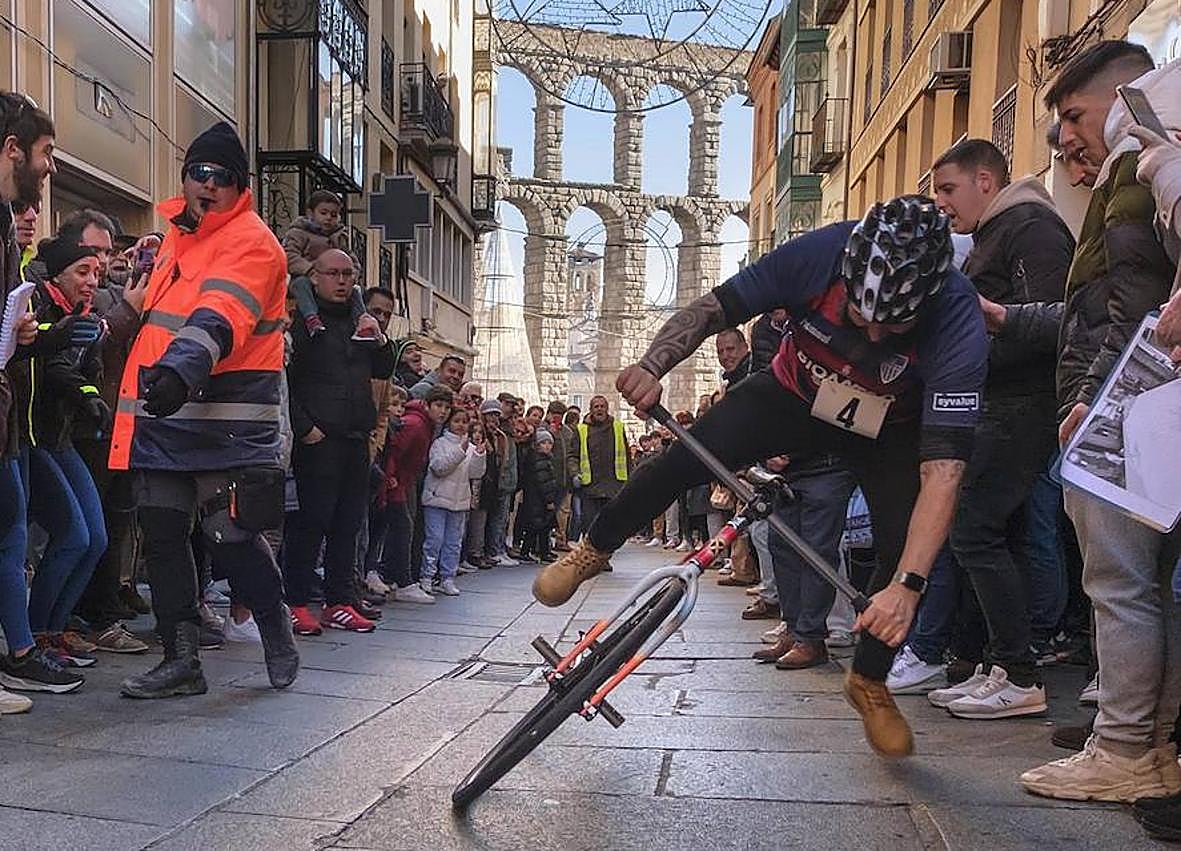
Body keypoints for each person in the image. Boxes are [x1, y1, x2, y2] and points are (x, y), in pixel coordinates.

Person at [533, 195, 989, 759]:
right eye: (859, 316)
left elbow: (944, 470)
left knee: (903, 547)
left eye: (892, 327)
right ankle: (593, 549)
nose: (872, 337)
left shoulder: (958, 316)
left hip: (886, 425)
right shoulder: (818, 253)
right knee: (682, 460)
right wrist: (653, 366)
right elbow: (711, 311)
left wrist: (907, 587)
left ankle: (869, 681)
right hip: (791, 393)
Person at [1020, 42, 1181, 804]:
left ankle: (1123, 748)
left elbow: (1128, 295)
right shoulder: (1140, 165)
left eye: (1072, 116)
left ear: (1119, 95)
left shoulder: (1137, 163)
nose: (1066, 139)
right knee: (1147, 583)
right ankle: (1147, 746)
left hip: (1130, 397)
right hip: (1141, 392)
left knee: (1117, 580)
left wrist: (1092, 394)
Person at [110, 121, 299, 699]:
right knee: (164, 537)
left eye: (222, 176)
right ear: (185, 176)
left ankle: (274, 625)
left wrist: (180, 369)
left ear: (240, 186)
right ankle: (181, 660)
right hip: (166, 414)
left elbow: (223, 311)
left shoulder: (253, 242)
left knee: (229, 536)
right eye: (198, 172)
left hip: (223, 422)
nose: (208, 184)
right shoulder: (177, 236)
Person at [912, 138, 1075, 718]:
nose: (942, 204)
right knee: (988, 535)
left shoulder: (1030, 225)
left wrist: (973, 342)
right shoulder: (994, 234)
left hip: (1021, 407)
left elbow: (1057, 321)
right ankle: (997, 665)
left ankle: (1020, 671)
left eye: (948, 189)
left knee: (976, 530)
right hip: (999, 405)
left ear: (986, 180)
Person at [0, 93, 93, 704]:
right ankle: (24, 649)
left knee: (17, 531)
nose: (50, 167)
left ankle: (28, 644)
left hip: (14, 421)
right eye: (46, 154)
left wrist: (19, 331)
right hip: (23, 426)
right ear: (13, 151)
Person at [284, 249, 395, 634]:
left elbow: (382, 370)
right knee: (310, 525)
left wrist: (379, 339)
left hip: (354, 439)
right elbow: (286, 381)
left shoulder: (357, 320)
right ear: (315, 278)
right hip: (319, 440)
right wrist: (305, 429)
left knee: (347, 526)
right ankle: (296, 602)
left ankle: (339, 601)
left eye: (348, 273)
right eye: (333, 273)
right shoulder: (304, 324)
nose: (342, 280)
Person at [22, 237, 113, 668]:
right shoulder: (38, 302)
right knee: (74, 536)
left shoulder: (84, 317)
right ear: (57, 273)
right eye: (83, 272)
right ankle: (35, 633)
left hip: (60, 438)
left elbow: (84, 369)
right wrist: (86, 394)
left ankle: (54, 630)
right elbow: (48, 364)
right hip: (31, 437)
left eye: (96, 272)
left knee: (95, 539)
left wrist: (93, 392)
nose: (92, 280)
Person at [371, 384, 451, 603]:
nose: (442, 412)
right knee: (401, 528)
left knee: (385, 528)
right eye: (438, 406)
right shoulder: (416, 425)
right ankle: (403, 581)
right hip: (394, 485)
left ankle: (384, 574)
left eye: (446, 407)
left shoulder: (425, 425)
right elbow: (395, 450)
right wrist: (390, 478)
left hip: (400, 484)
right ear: (427, 405)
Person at [420, 406, 485, 596]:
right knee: (434, 539)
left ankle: (447, 577)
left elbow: (475, 473)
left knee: (453, 542)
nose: (460, 425)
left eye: (464, 422)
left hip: (459, 501)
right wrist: (460, 451)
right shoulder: (440, 444)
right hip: (437, 499)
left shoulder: (470, 447)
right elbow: (439, 467)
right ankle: (427, 575)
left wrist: (479, 455)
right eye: (456, 421)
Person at [282, 190, 364, 339]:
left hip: (333, 281)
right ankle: (312, 318)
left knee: (356, 291)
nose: (328, 218)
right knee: (301, 285)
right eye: (323, 213)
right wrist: (310, 269)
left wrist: (352, 275)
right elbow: (289, 255)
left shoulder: (339, 236)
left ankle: (361, 321)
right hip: (306, 277)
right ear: (310, 213)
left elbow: (351, 259)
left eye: (333, 215)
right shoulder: (299, 232)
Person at [572, 395, 630, 534]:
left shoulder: (617, 427)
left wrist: (630, 478)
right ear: (591, 410)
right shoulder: (581, 429)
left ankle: (605, 550)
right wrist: (575, 473)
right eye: (596, 406)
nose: (599, 409)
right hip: (590, 486)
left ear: (607, 409)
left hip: (613, 485)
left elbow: (626, 455)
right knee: (590, 524)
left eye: (602, 406)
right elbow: (573, 455)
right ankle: (591, 551)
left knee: (610, 523)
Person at [519, 428, 560, 562]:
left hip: (537, 499)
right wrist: (549, 500)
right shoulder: (540, 461)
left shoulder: (543, 459)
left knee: (541, 527)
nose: (547, 446)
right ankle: (536, 552)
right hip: (538, 500)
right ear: (537, 445)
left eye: (549, 443)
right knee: (538, 527)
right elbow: (544, 482)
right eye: (544, 443)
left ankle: (540, 551)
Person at [545, 401, 579, 552]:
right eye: (556, 414)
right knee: (548, 511)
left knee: (564, 512)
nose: (558, 418)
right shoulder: (544, 429)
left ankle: (561, 539)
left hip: (566, 478)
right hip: (550, 478)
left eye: (561, 415)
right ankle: (544, 541)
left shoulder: (568, 432)